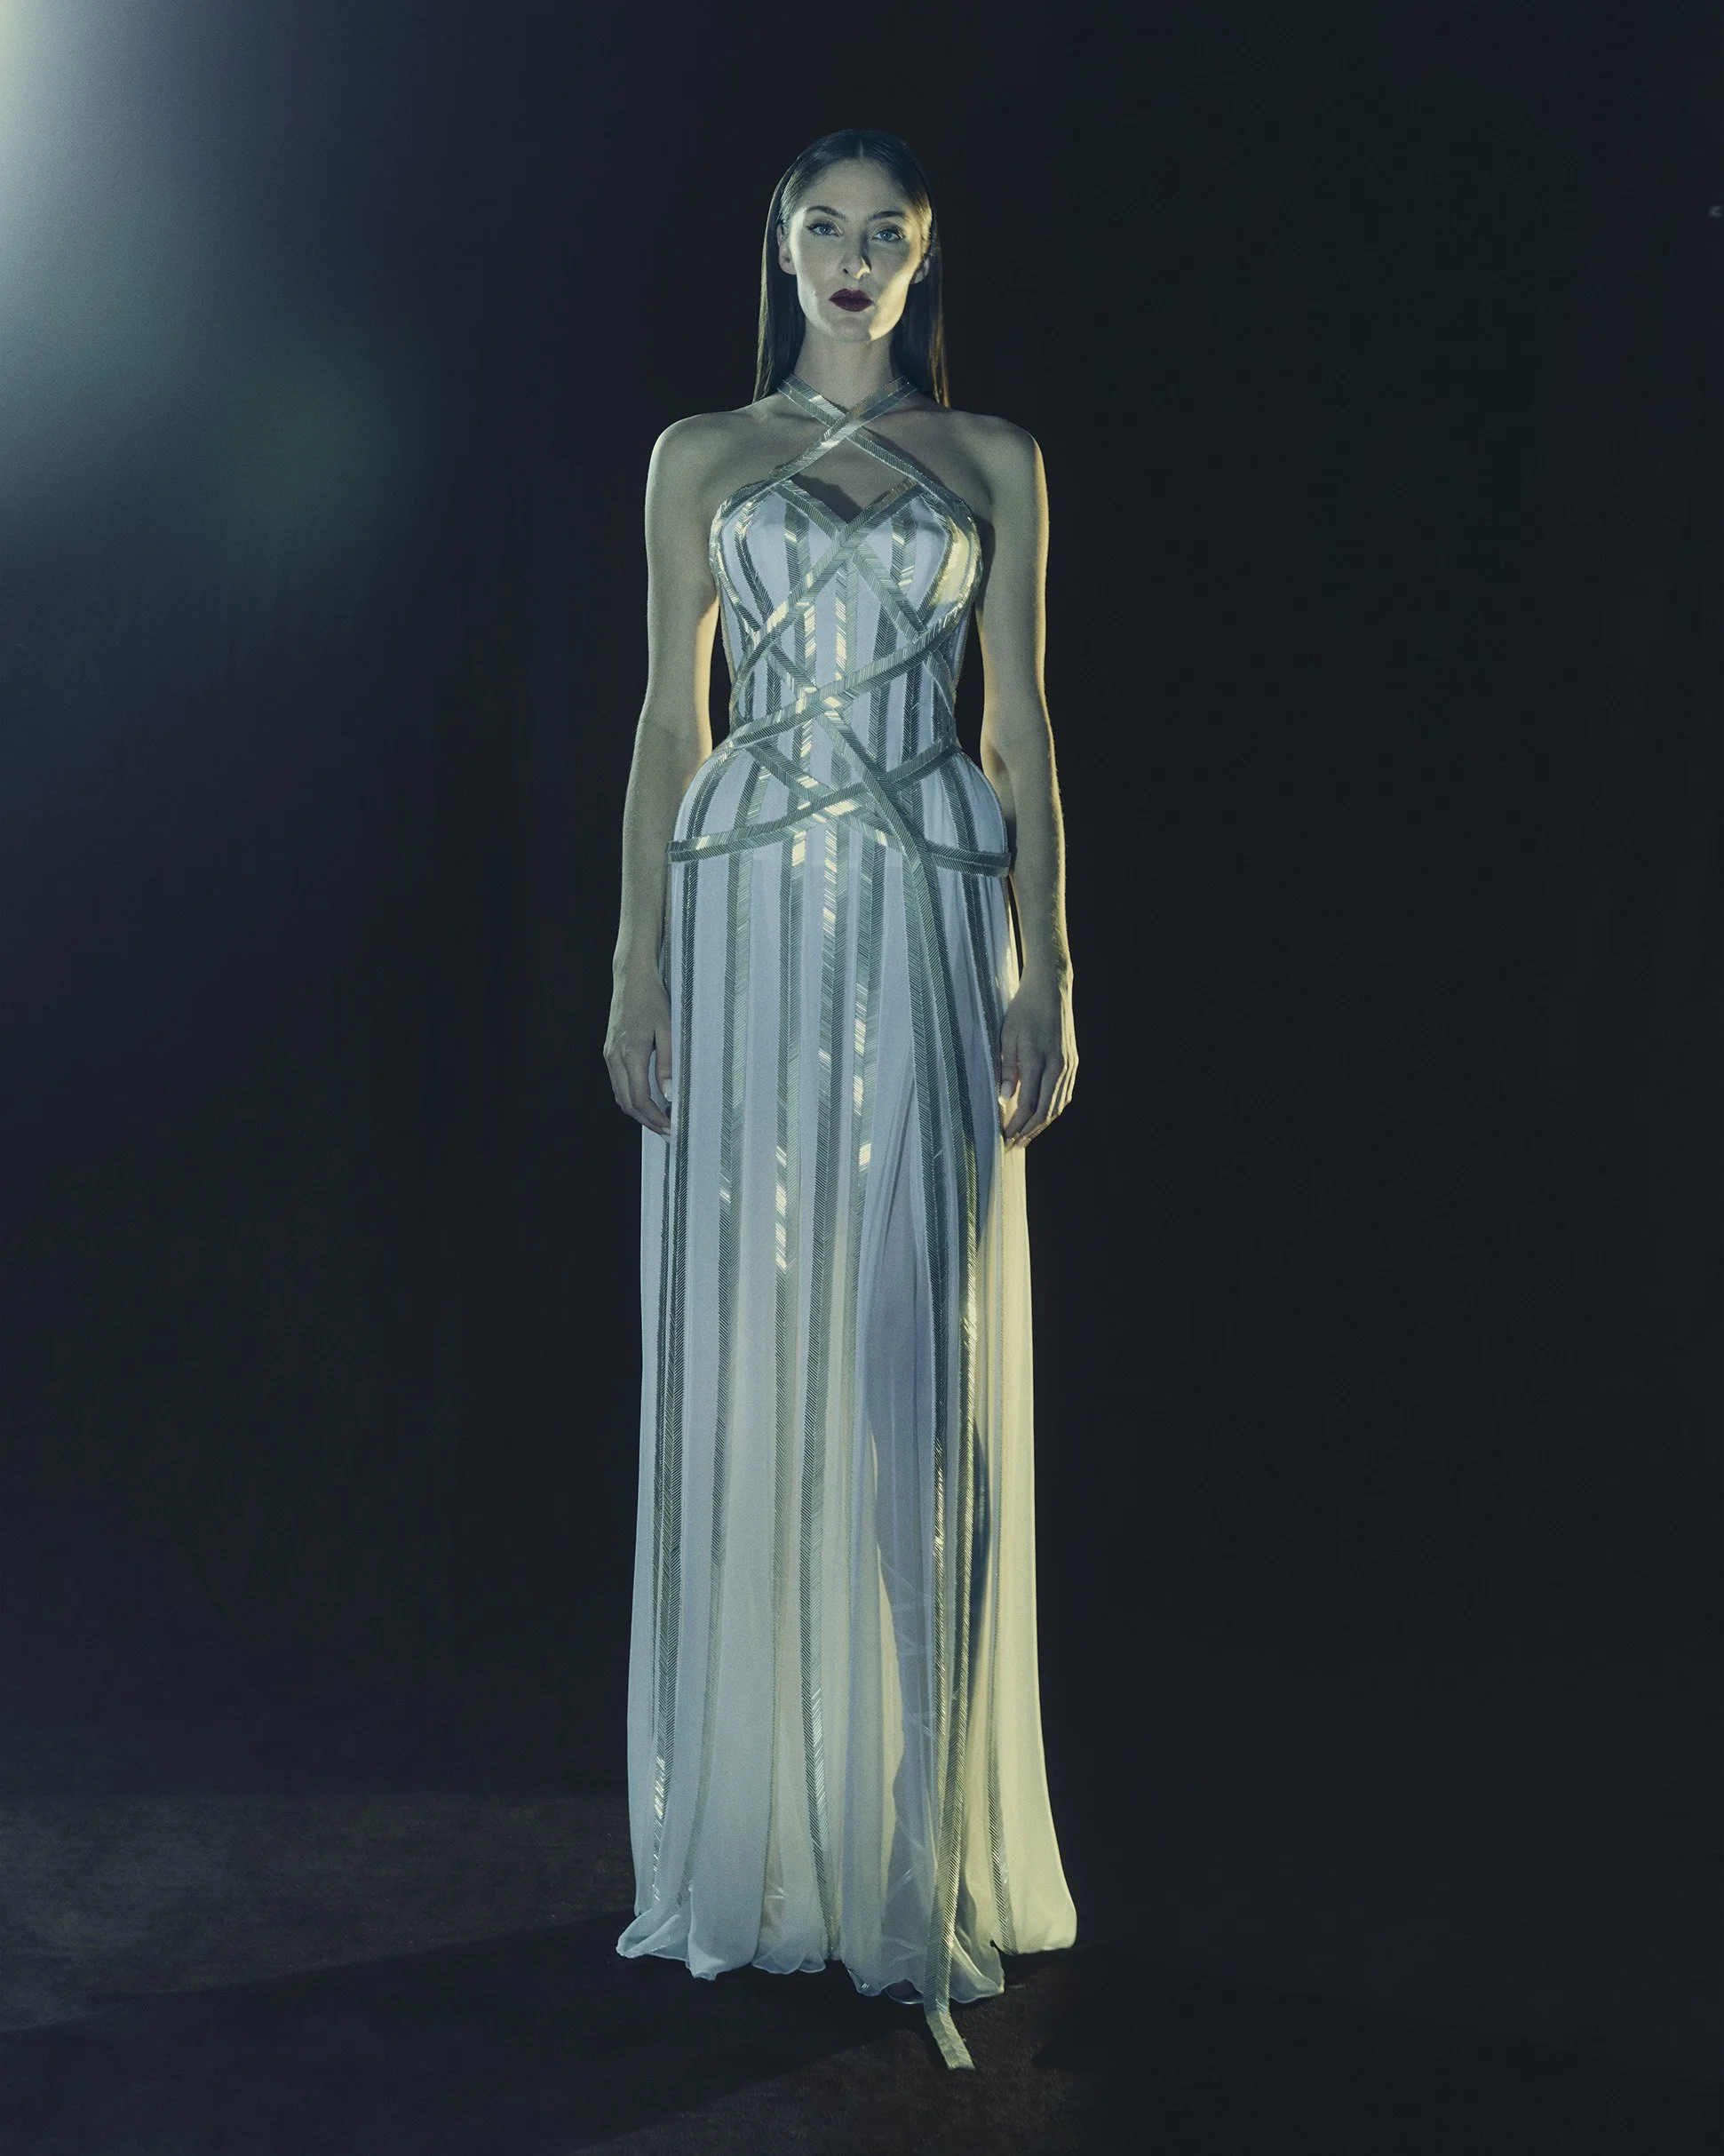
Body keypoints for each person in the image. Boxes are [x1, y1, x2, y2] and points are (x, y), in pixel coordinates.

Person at [603, 127, 1077, 2071]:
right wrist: (634, 962)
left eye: (888, 232)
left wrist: (1050, 961)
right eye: (826, 226)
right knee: (760, 1335)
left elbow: (1017, 721)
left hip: (928, 905)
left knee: (915, 1360)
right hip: (745, 914)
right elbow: (671, 715)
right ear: (785, 249)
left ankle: (914, 1860)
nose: (855, 256)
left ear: (923, 257)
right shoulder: (700, 455)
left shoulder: (993, 458)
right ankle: (766, 1841)